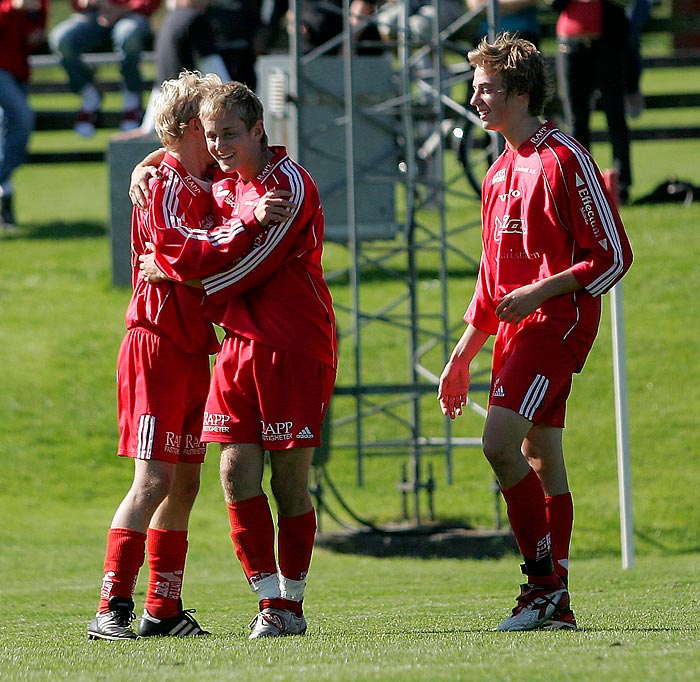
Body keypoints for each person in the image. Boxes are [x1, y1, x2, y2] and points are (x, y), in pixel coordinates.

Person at [438, 33, 632, 632]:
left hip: (557, 325)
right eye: (474, 87)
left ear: (520, 93)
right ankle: (559, 601)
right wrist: (462, 355)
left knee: (498, 443)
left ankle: (542, 586)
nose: (475, 98)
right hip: (520, 331)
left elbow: (614, 255)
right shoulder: (497, 174)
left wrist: (542, 291)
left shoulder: (564, 159)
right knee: (540, 455)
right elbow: (491, 282)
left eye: (486, 87)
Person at [136, 80, 337, 639]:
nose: (220, 146)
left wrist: (178, 274)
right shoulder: (225, 185)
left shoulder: (289, 186)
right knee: (233, 472)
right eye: (212, 135)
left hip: (293, 344)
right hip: (237, 347)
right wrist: (146, 165)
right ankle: (268, 600)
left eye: (230, 134)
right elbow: (181, 171)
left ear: (258, 131)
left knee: (290, 481)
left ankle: (293, 599)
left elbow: (251, 271)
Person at [87, 70, 268, 641]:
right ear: (194, 126)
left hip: (192, 348)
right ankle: (109, 608)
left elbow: (192, 258)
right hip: (155, 345)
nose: (218, 135)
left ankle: (162, 609)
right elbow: (181, 255)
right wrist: (230, 238)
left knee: (185, 483)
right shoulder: (164, 182)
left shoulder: (202, 177)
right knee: (152, 480)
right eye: (209, 122)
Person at [551, 0, 633, 202]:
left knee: (616, 117)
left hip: (608, 43)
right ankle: (579, 184)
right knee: (575, 120)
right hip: (570, 45)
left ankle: (620, 186)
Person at [49, 0, 161, 138]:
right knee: (61, 39)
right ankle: (90, 96)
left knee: (128, 35)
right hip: (94, 15)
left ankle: (132, 102)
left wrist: (121, 8)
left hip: (132, 14)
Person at [0, 0, 47, 232]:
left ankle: (5, 209)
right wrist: (11, 7)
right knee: (22, 116)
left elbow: (34, 35)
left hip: (18, 69)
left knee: (6, 130)